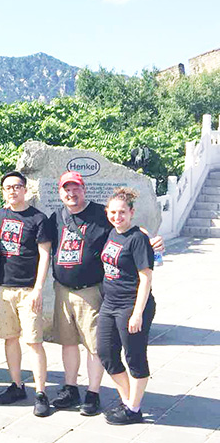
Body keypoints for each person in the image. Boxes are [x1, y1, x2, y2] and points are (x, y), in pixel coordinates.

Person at [48, 172, 165, 416]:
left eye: (76, 189)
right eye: (66, 189)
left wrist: (151, 241)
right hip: (85, 296)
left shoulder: (107, 220)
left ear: (84, 189)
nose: (116, 216)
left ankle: (118, 402)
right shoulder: (61, 218)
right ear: (60, 192)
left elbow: (136, 245)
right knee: (92, 349)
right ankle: (122, 400)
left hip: (111, 298)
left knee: (124, 354)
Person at [0, 171, 53, 417]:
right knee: (10, 338)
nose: (12, 191)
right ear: (3, 192)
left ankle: (41, 393)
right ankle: (16, 385)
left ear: (25, 189)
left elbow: (45, 255)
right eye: (7, 187)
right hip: (3, 288)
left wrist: (38, 288)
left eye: (16, 186)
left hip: (28, 290)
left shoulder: (38, 219)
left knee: (34, 342)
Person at [97, 188, 156, 425]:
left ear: (131, 213)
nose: (117, 216)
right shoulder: (112, 233)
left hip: (131, 306)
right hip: (109, 304)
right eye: (113, 212)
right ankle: (128, 400)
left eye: (122, 212)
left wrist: (137, 313)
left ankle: (134, 408)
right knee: (106, 353)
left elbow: (146, 278)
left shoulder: (138, 238)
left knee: (135, 357)